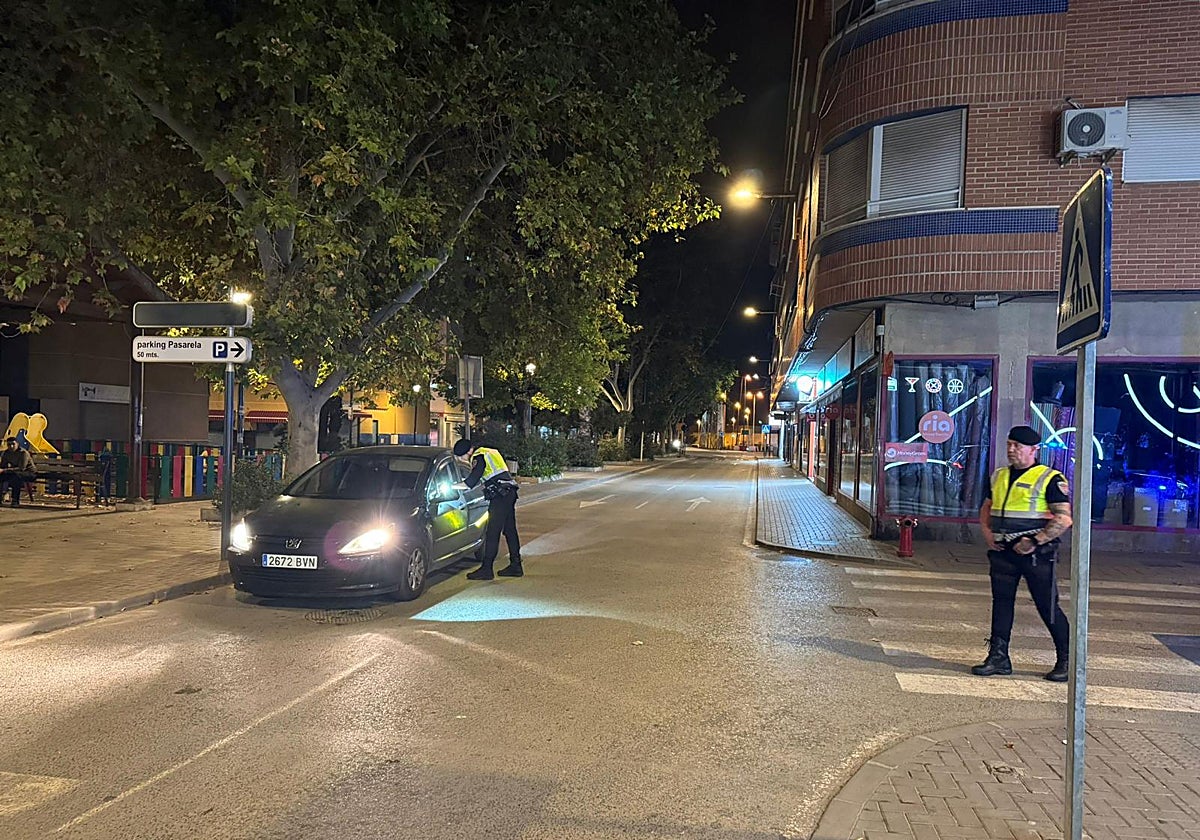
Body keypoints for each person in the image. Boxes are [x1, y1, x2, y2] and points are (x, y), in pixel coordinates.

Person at [973, 425, 1074, 682]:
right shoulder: (999, 475)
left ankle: (1067, 659)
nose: (1011, 450)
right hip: (1003, 551)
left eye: (1017, 446)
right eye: (1009, 444)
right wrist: (986, 530)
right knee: (1002, 604)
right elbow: (988, 505)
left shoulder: (1050, 478)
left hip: (1036, 555)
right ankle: (998, 657)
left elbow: (1063, 519)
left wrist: (1036, 541)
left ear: (1033, 450)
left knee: (1047, 606)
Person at [453, 439, 522, 580]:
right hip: (509, 492)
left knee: (492, 532)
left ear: (469, 451)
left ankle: (487, 569)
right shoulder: (490, 451)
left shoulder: (479, 456)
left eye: (462, 457)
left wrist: (452, 486)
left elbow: (471, 482)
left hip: (500, 496)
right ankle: (516, 565)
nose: (463, 460)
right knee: (510, 530)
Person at [1, 437, 37, 507]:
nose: (11, 446)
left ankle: (15, 500)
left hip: (29, 473)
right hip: (15, 472)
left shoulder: (23, 453)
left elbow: (22, 468)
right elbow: (3, 466)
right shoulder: (6, 453)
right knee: (2, 476)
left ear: (17, 444)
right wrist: (2, 470)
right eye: (9, 445)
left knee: (16, 477)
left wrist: (5, 470)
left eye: (13, 444)